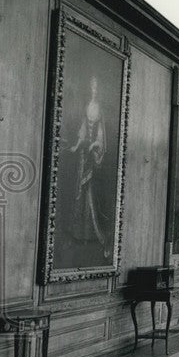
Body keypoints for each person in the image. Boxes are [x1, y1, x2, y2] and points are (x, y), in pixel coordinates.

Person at [67, 75, 109, 258]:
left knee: (89, 190)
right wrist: (77, 145)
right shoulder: (86, 106)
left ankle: (91, 233)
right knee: (80, 190)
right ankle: (78, 233)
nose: (93, 89)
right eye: (91, 86)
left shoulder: (100, 109)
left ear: (98, 89)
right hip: (84, 152)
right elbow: (83, 129)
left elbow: (101, 135)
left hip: (93, 153)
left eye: (95, 87)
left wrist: (95, 145)